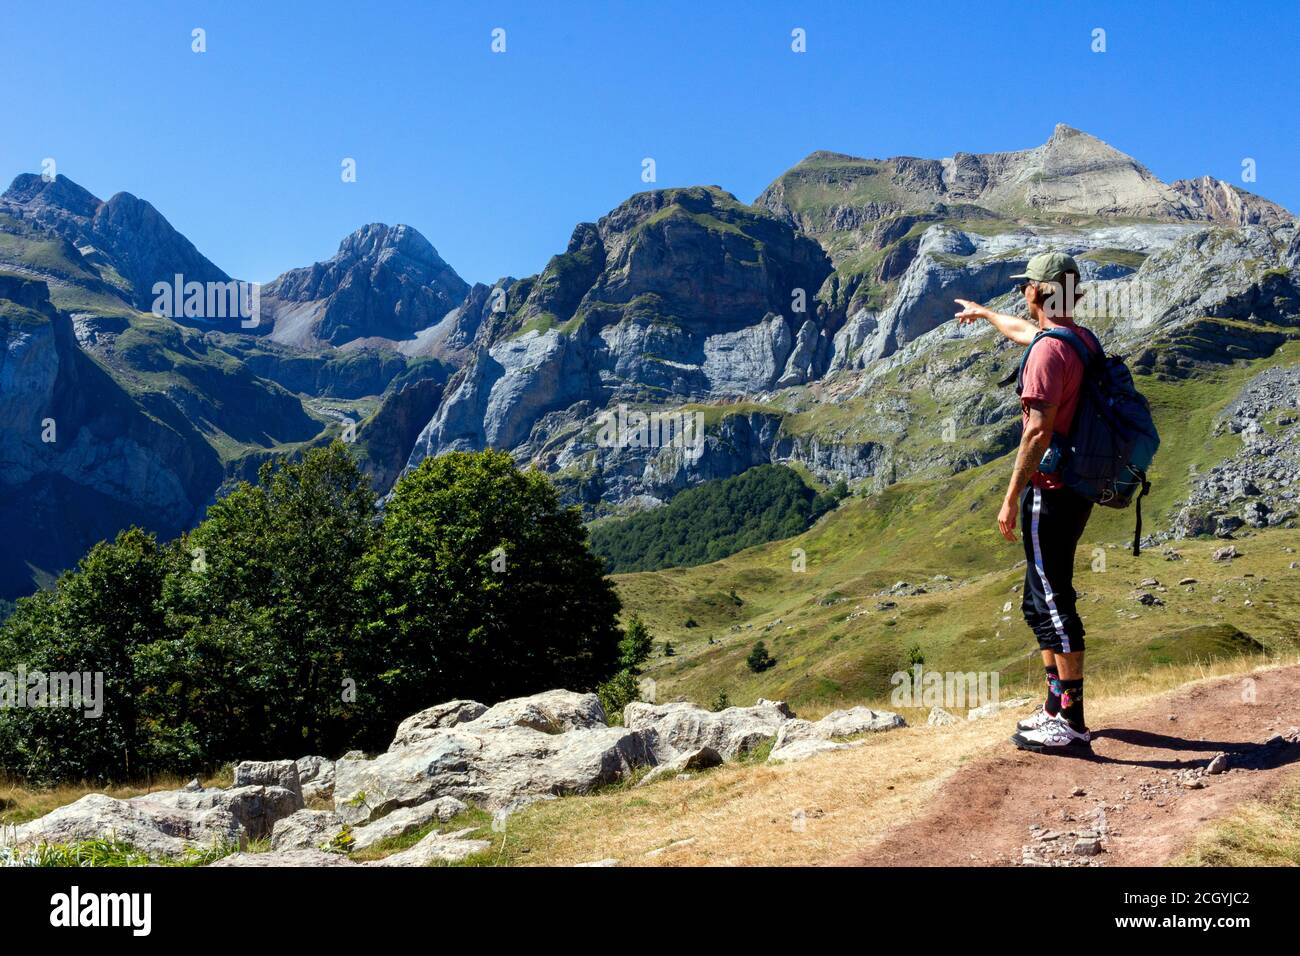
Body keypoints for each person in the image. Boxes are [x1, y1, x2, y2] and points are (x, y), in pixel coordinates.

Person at [954, 252, 1099, 751]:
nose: (1021, 292)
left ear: (1038, 291)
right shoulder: (1073, 338)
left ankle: (1072, 722)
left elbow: (1037, 431)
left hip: (1051, 492)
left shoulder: (1047, 353)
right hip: (1075, 487)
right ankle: (1054, 707)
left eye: (1026, 286)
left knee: (1054, 602)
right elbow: (1023, 331)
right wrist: (985, 314)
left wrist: (1011, 496)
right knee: (1037, 598)